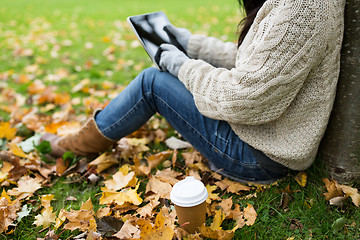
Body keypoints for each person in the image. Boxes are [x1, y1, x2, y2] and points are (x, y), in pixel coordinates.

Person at [42, 0, 345, 184]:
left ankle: (74, 146)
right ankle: (84, 138)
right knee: (160, 74)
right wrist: (189, 44)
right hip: (266, 140)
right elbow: (258, 63)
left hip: (260, 155)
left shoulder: (303, 9)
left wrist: (181, 65)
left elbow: (244, 98)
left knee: (152, 81)